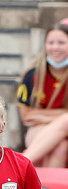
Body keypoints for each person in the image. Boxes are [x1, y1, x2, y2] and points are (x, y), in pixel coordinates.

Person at [18, 23, 68, 167]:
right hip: (40, 131)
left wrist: (42, 116)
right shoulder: (32, 74)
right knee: (60, 146)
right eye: (50, 43)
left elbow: (34, 116)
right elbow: (27, 116)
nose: (55, 47)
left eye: (61, 43)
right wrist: (62, 117)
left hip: (44, 126)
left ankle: (18, 164)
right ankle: (40, 187)